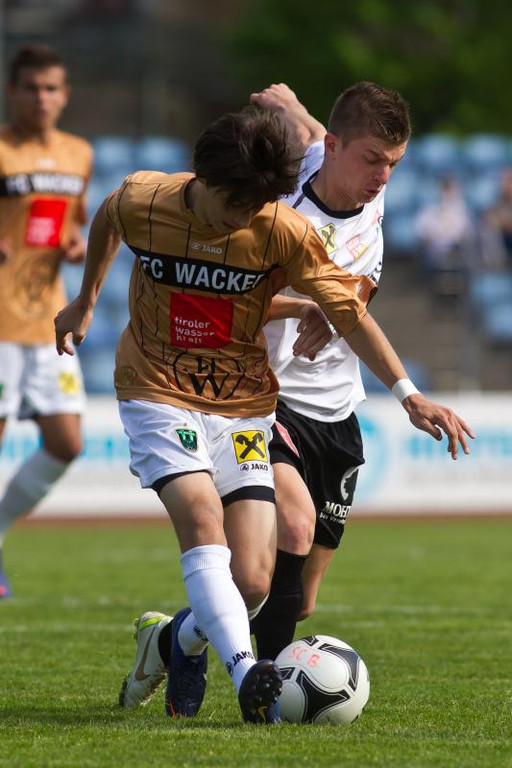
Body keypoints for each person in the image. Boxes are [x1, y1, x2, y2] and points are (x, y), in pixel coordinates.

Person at [54, 106, 473, 725]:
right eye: (236, 204)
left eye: (256, 206)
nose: (243, 218)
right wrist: (86, 300)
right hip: (156, 387)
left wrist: (408, 393)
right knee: (203, 518)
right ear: (204, 179)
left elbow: (352, 314)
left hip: (243, 404)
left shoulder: (279, 229)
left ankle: (169, 641)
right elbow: (108, 217)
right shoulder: (146, 198)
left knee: (253, 581)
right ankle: (247, 671)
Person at [246, 83, 471, 661]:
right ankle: (265, 686)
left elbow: (313, 129)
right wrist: (309, 307)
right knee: (294, 530)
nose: (383, 176)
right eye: (373, 160)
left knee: (299, 600)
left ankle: (173, 635)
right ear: (335, 148)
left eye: (394, 163)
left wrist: (290, 105)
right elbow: (236, 299)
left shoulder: (365, 182)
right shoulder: (281, 215)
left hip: (337, 407)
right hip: (271, 397)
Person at [0, 44, 93, 598]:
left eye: (51, 88)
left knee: (66, 442)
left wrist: (75, 244)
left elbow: (71, 224)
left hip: (48, 320)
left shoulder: (78, 153)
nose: (42, 97)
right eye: (32, 87)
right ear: (12, 91)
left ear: (65, 95)